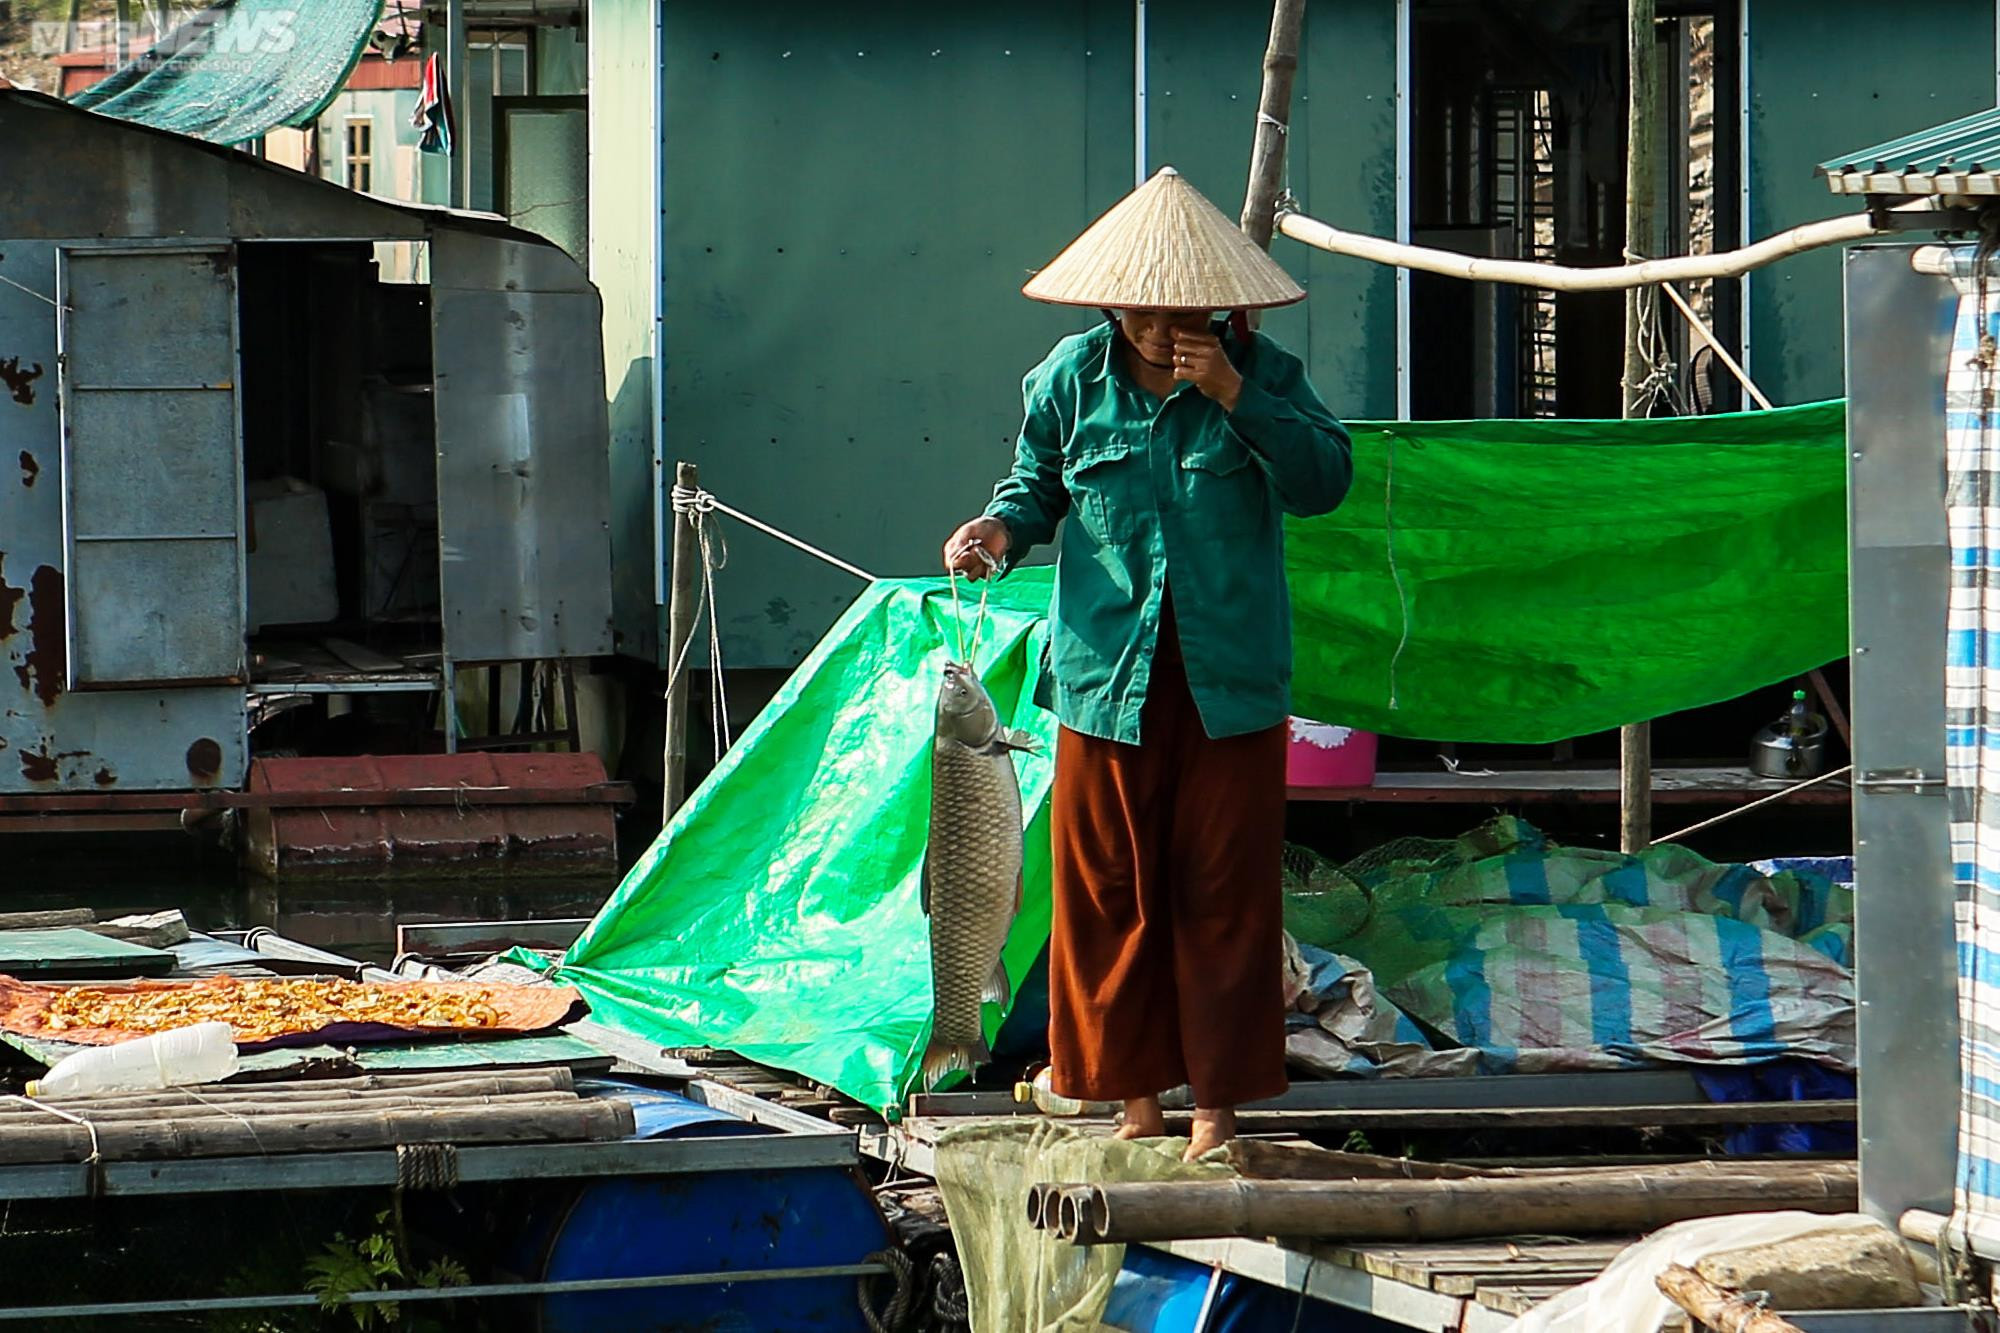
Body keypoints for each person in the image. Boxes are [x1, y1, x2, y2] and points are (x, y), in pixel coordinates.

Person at [942, 167, 1354, 1160]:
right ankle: (1132, 1101)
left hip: (1229, 683)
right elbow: (1033, 489)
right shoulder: (1068, 379)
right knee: (1106, 892)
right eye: (1142, 308)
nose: (1162, 324)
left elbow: (1323, 481)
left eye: (1183, 309)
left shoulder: (1263, 373)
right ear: (1110, 303)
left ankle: (1215, 1109)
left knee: (1225, 892)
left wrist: (1234, 395)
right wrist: (996, 531)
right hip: (1102, 680)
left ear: (1217, 304)